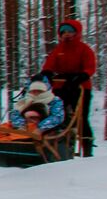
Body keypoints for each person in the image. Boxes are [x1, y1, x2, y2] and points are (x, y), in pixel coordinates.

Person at [38, 17, 97, 157]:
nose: (67, 34)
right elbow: (49, 65)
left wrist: (81, 76)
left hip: (80, 88)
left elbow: (90, 68)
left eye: (70, 31)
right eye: (63, 31)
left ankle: (87, 149)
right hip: (61, 87)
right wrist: (46, 73)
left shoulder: (84, 49)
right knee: (58, 116)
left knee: (81, 118)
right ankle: (58, 147)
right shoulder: (58, 50)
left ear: (77, 32)